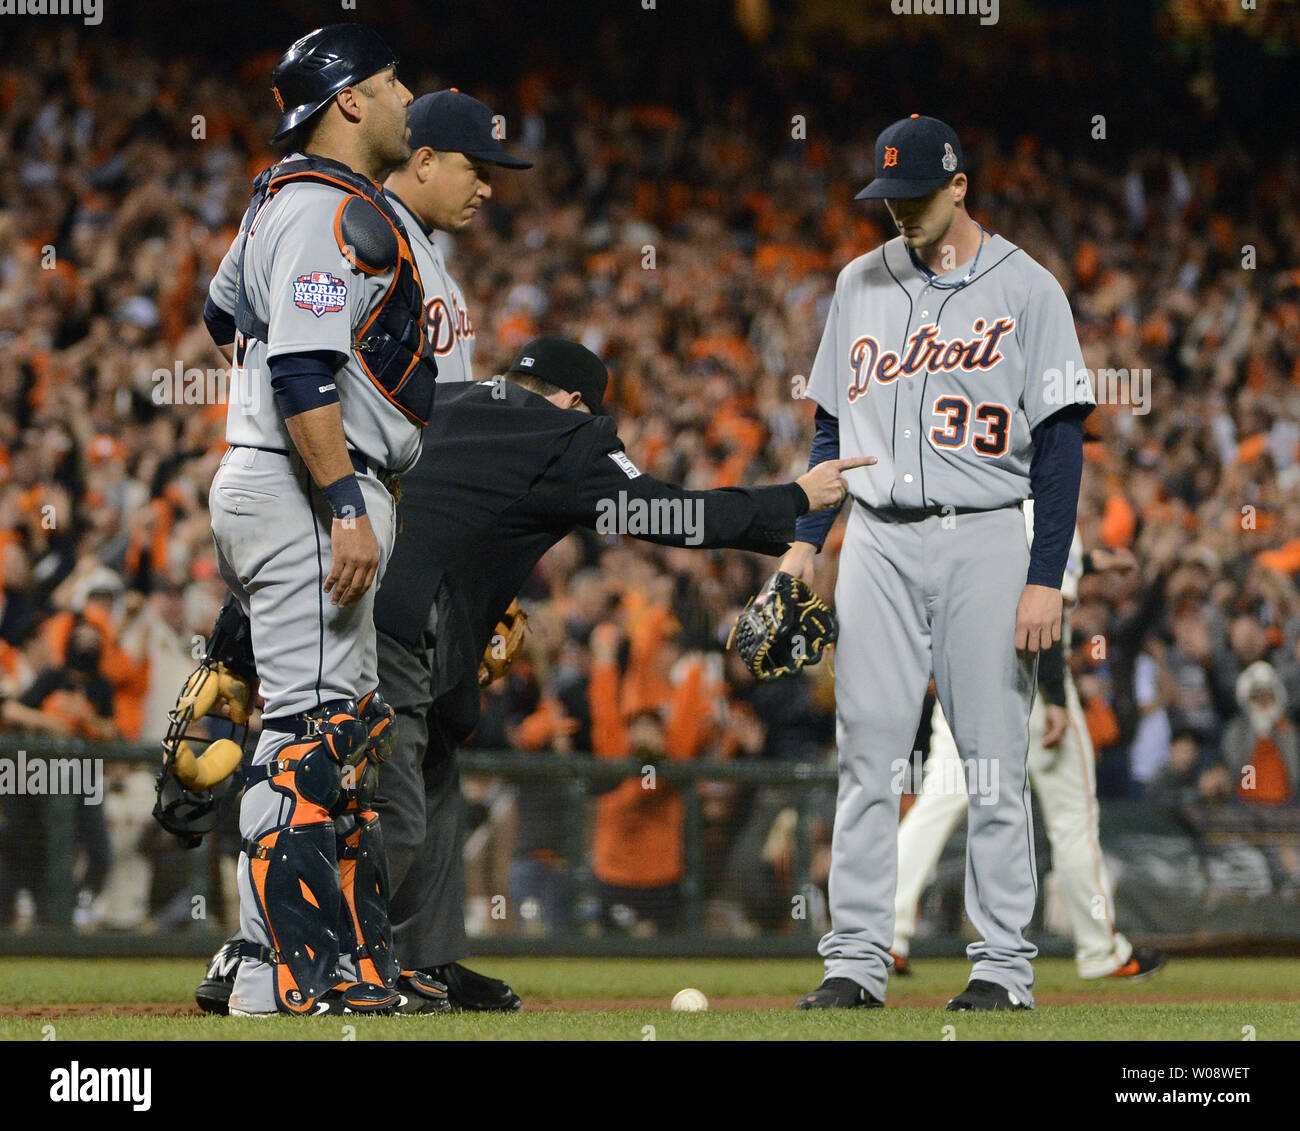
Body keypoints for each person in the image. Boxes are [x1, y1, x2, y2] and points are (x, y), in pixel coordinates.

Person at [370, 337, 868, 1008]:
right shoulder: (567, 434)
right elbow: (671, 514)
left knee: (430, 777)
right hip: (404, 626)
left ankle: (421, 962)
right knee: (395, 809)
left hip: (349, 601)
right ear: (578, 401)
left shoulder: (447, 398)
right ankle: (305, 954)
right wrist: (795, 497)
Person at [785, 115, 1095, 1011]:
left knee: (993, 759)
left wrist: (1046, 573)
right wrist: (808, 547)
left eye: (915, 197)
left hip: (989, 530)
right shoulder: (858, 281)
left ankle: (1000, 967)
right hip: (876, 536)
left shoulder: (1028, 288)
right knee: (867, 753)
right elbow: (832, 423)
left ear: (961, 185)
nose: (899, 214)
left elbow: (1062, 444)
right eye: (887, 198)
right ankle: (855, 960)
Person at [200, 24, 444, 1016]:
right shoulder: (323, 212)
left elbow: (224, 316)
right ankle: (285, 979)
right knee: (305, 736)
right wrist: (340, 496)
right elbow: (300, 364)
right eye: (392, 85)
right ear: (348, 102)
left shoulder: (282, 202)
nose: (405, 102)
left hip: (297, 476)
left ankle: (288, 965)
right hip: (312, 489)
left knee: (333, 736)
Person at [891, 515, 1167, 982]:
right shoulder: (1050, 491)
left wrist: (1093, 561)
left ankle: (881, 932)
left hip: (964, 669)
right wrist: (1057, 697)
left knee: (935, 806)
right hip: (1027, 678)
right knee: (1073, 819)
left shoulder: (982, 486)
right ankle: (1102, 950)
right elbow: (1046, 607)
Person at [384, 90, 532, 387]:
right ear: (425, 162)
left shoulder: (426, 250)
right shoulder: (373, 242)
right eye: (476, 171)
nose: (486, 190)